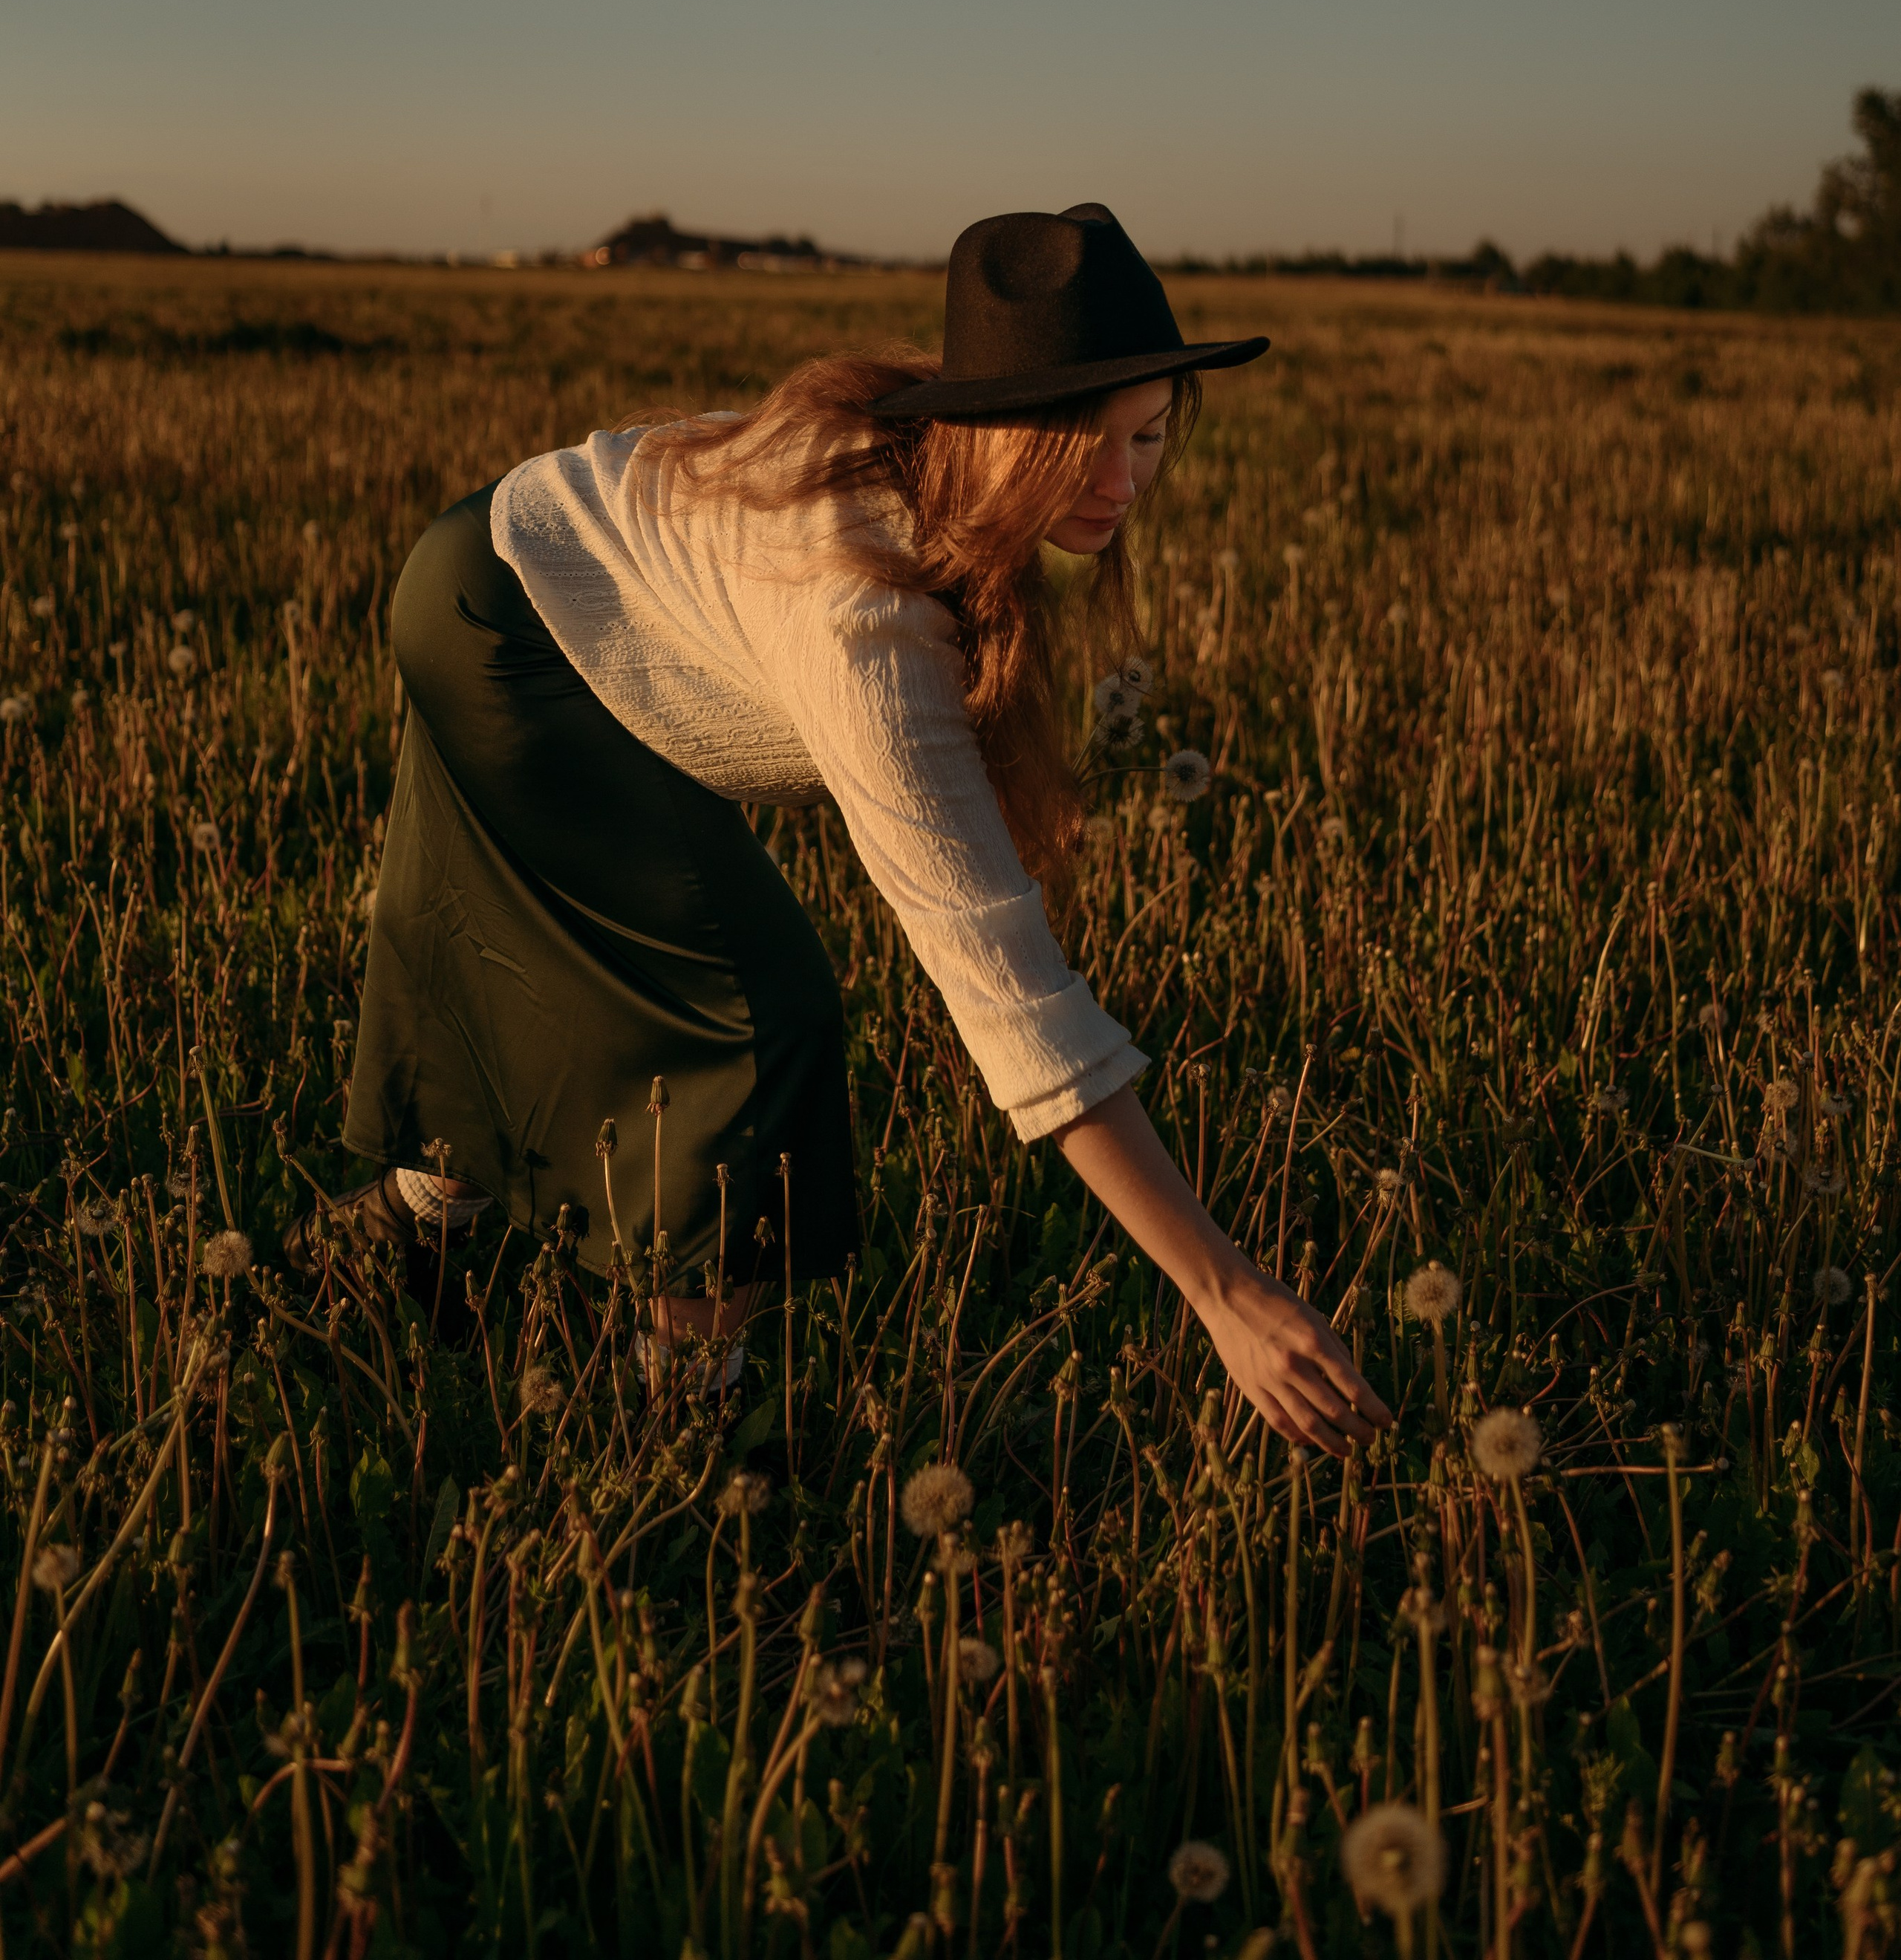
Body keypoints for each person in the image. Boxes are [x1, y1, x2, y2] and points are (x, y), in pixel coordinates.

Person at [296, 203, 1390, 1456]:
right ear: (992, 429)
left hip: (536, 581)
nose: (1123, 483)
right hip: (511, 626)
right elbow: (1008, 995)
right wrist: (1224, 1290)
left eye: (1145, 437)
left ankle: (388, 1251)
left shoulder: (936, 468)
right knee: (752, 1019)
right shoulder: (862, 609)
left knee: (551, 979)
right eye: (1081, 444)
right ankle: (686, 1434)